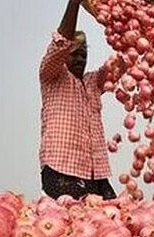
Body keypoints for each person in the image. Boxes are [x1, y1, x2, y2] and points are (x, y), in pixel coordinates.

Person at [38, 0, 124, 200]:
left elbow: (125, 60)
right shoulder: (51, 76)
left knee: (111, 223)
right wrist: (74, 3)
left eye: (83, 55)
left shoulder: (93, 82)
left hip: (97, 173)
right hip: (62, 169)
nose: (80, 59)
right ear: (64, 56)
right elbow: (61, 42)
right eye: (74, 54)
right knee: (72, 225)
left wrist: (145, 28)